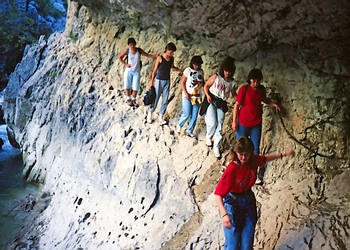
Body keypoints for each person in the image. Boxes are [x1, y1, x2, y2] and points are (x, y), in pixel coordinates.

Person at [215, 136, 294, 250]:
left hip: (248, 201)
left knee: (247, 245)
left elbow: (265, 159)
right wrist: (224, 214)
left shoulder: (252, 160)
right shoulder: (232, 168)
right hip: (232, 203)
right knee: (232, 246)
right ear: (236, 152)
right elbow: (218, 194)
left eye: (246, 154)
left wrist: (283, 155)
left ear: (251, 153)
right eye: (240, 154)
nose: (243, 157)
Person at [232, 68, 281, 155]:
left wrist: (274, 105)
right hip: (243, 122)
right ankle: (240, 166)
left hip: (256, 123)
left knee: (255, 147)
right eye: (254, 80)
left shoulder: (261, 90)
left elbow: (265, 100)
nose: (255, 83)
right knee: (239, 146)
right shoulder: (244, 89)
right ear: (250, 79)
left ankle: (254, 167)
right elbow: (236, 105)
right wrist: (234, 122)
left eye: (258, 81)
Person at [203, 56, 237, 158]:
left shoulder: (232, 82)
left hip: (222, 103)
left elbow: (234, 94)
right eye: (226, 70)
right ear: (223, 69)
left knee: (220, 124)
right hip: (212, 99)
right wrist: (208, 95)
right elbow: (206, 86)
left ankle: (216, 146)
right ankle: (208, 137)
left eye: (229, 71)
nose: (228, 73)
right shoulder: (216, 76)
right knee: (213, 122)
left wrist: (239, 101)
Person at [147, 42, 182, 124]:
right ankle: (149, 114)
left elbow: (172, 67)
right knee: (155, 98)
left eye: (173, 52)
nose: (172, 53)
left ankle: (161, 116)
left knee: (165, 100)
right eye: (171, 52)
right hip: (159, 80)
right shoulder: (160, 58)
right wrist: (151, 82)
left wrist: (179, 70)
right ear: (167, 50)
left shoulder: (172, 59)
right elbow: (155, 70)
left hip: (167, 81)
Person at [119, 37, 158, 107]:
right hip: (129, 71)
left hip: (136, 71)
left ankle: (133, 99)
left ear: (135, 44)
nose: (132, 46)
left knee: (136, 86)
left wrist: (156, 56)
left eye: (133, 44)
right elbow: (120, 57)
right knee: (127, 85)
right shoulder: (128, 51)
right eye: (130, 45)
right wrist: (126, 64)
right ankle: (128, 99)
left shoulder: (138, 51)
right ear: (129, 45)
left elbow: (147, 55)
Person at [177, 56, 204, 139]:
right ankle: (179, 125)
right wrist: (185, 93)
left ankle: (190, 131)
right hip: (187, 95)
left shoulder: (201, 71)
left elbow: (202, 82)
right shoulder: (187, 70)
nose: (197, 66)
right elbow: (183, 82)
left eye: (199, 65)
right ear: (192, 64)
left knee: (195, 115)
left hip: (197, 96)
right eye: (196, 64)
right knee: (187, 113)